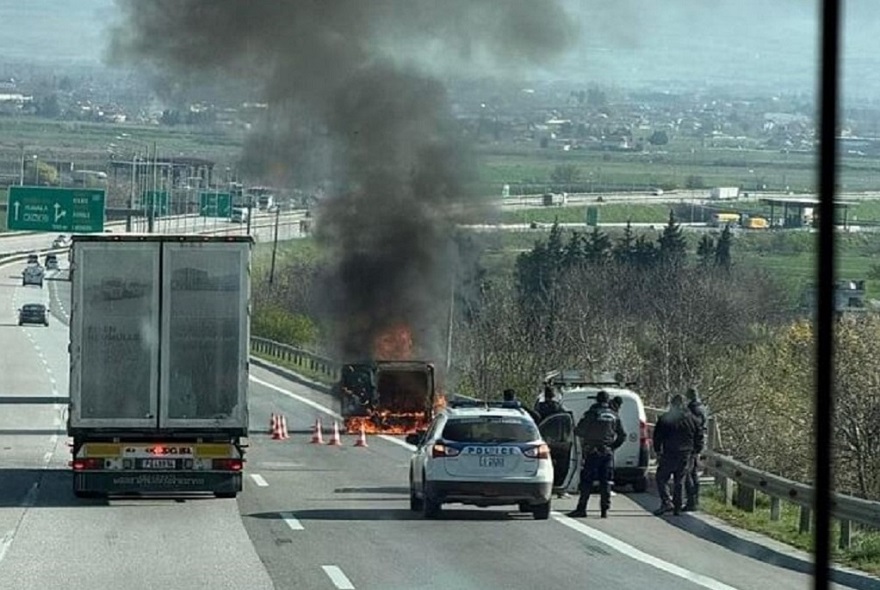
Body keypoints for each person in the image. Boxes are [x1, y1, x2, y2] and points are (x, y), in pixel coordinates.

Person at [567, 390, 626, 518]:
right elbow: (622, 435)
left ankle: (581, 508)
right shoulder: (614, 415)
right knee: (606, 482)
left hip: (593, 451)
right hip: (607, 453)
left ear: (597, 400)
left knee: (587, 481)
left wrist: (587, 437)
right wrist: (612, 446)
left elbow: (579, 431)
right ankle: (604, 510)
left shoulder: (592, 413)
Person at [653, 394, 704, 516]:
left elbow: (657, 436)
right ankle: (677, 506)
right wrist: (696, 451)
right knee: (679, 480)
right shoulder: (692, 419)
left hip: (669, 453)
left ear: (672, 404)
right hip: (686, 454)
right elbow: (699, 436)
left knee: (661, 477)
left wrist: (657, 451)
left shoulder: (665, 418)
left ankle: (666, 502)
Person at [684, 387, 708, 511]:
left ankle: (691, 501)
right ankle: (695, 499)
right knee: (694, 473)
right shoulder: (702, 408)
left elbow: (693, 426)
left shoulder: (692, 409)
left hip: (691, 443)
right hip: (698, 442)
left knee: (688, 472)